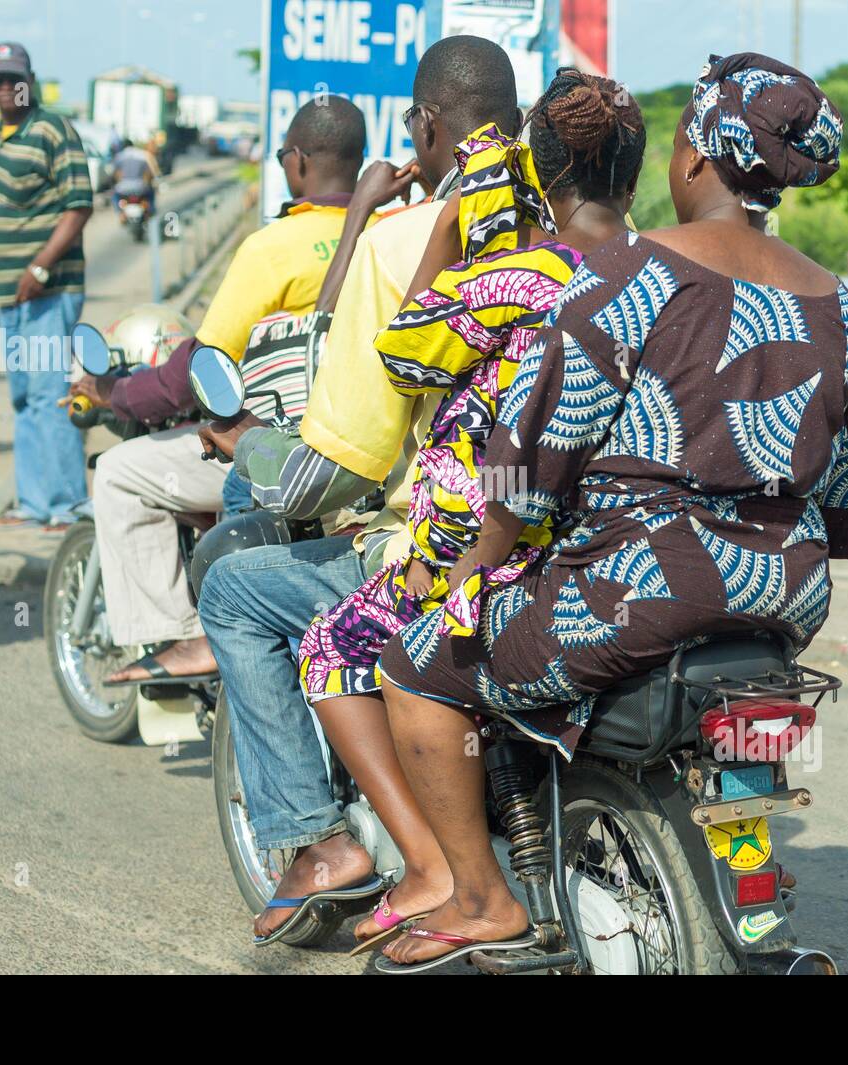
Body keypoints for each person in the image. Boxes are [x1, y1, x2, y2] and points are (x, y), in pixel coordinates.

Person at [373, 53, 848, 970]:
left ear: (694, 157)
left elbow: (524, 469)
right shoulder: (843, 310)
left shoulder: (630, 275)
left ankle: (484, 899)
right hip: (788, 600)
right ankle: (748, 902)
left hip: (638, 588)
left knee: (417, 668)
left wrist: (466, 573)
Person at [288, 69, 645, 952]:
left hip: (481, 544)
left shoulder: (518, 276)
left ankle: (438, 871)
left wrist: (449, 225)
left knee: (331, 643)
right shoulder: (659, 272)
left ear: (539, 173)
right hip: (602, 541)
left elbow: (403, 355)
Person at [191, 36, 521, 943]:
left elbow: (346, 462)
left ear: (425, 127)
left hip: (432, 542)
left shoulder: (399, 245)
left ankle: (323, 841)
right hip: (561, 536)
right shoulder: (598, 240)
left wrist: (252, 450)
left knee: (234, 591)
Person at [74, 96, 384, 684]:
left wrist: (116, 393)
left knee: (119, 470)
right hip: (370, 455)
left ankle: (188, 636)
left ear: (295, 163)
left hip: (278, 455)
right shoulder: (389, 234)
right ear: (360, 161)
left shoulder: (272, 248)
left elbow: (196, 370)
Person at [0, 41, 93, 534]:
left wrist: (41, 269)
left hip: (49, 291)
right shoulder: (2, 135)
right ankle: (32, 502)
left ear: (31, 79)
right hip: (14, 293)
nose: (6, 87)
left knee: (51, 396)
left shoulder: (52, 128)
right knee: (24, 399)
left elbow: (79, 205)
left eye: (14, 78)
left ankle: (68, 506)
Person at [110, 140, 158, 217]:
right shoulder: (142, 155)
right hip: (140, 187)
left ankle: (120, 213)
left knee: (114, 194)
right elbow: (148, 174)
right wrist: (148, 184)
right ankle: (151, 210)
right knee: (151, 193)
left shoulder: (119, 157)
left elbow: (114, 174)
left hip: (123, 188)